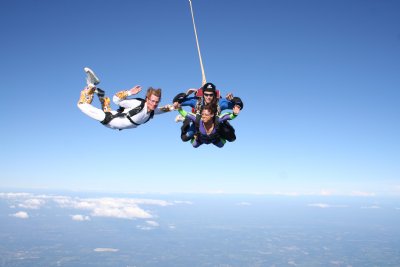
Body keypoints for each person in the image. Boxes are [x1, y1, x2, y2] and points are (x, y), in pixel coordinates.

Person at [77, 67, 173, 130]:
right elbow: (116, 99)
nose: (154, 104)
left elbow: (162, 110)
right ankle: (91, 84)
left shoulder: (152, 111)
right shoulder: (138, 104)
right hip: (109, 119)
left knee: (107, 109)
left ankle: (101, 95)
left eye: (157, 102)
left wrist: (175, 106)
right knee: (81, 105)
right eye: (152, 101)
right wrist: (129, 92)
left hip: (113, 123)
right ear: (147, 99)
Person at [172, 82, 243, 142]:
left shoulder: (220, 102)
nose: (208, 97)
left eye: (211, 95)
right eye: (206, 94)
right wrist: (186, 94)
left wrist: (233, 99)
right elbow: (176, 101)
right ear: (203, 94)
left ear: (214, 95)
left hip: (216, 124)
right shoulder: (196, 102)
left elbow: (239, 105)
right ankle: (185, 121)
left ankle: (223, 127)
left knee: (232, 138)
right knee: (185, 138)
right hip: (198, 123)